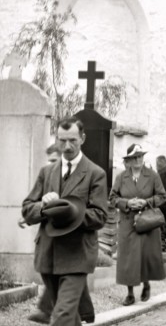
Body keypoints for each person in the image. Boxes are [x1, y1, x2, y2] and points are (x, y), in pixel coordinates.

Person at [22, 116, 108, 326]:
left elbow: (100, 216)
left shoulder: (96, 174)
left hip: (77, 255)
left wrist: (70, 211)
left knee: (61, 316)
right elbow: (27, 209)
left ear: (83, 138)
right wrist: (43, 206)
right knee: (70, 317)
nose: (67, 146)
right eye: (62, 140)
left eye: (72, 140)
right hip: (48, 254)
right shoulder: (47, 172)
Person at [110, 144, 166, 306]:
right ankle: (129, 293)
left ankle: (147, 284)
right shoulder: (121, 177)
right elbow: (112, 198)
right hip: (128, 223)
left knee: (146, 256)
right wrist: (127, 203)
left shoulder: (153, 176)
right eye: (135, 157)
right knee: (128, 259)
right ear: (128, 160)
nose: (138, 159)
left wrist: (146, 202)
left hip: (147, 222)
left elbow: (163, 196)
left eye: (140, 156)